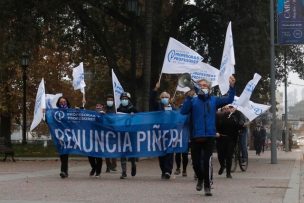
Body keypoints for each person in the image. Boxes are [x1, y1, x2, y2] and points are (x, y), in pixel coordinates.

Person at [180, 75, 236, 196]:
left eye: (205, 85)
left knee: (206, 161)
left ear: (209, 88)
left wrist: (232, 87)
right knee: (195, 163)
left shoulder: (214, 100)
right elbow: (183, 111)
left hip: (210, 135)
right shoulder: (193, 100)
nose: (202, 87)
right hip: (196, 136)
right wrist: (188, 98)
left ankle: (207, 185)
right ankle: (200, 178)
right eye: (200, 85)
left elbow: (229, 99)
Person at [150, 81, 175, 180]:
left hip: (170, 134)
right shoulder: (157, 106)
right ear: (160, 99)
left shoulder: (173, 108)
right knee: (161, 154)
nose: (165, 99)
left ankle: (168, 171)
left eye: (166, 97)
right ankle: (163, 170)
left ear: (169, 99)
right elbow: (151, 100)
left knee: (169, 152)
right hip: (159, 134)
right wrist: (155, 89)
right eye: (163, 97)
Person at [216, 105, 244, 179]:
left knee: (229, 156)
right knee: (220, 155)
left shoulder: (234, 117)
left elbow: (239, 126)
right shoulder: (218, 116)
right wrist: (216, 132)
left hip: (230, 139)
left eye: (228, 108)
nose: (226, 110)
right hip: (220, 138)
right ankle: (222, 165)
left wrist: (241, 125)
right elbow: (214, 126)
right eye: (224, 109)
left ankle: (228, 173)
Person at [117, 92, 138, 179]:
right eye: (122, 99)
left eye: (125, 99)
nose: (124, 100)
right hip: (122, 133)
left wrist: (134, 115)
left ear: (128, 100)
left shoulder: (133, 108)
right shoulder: (118, 109)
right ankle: (124, 171)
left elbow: (139, 118)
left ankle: (133, 164)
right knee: (122, 152)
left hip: (131, 133)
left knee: (131, 151)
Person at [55, 96, 71, 179]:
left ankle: (64, 171)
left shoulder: (71, 111)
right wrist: (44, 114)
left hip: (69, 135)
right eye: (61, 102)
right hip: (59, 135)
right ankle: (64, 171)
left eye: (64, 102)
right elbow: (50, 121)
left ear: (67, 102)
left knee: (65, 153)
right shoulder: (55, 112)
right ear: (58, 103)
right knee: (62, 153)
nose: (62, 103)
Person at [87, 103, 104, 177]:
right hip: (91, 137)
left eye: (100, 106)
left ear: (102, 107)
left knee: (98, 156)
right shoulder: (91, 115)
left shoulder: (105, 115)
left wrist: (104, 116)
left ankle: (98, 171)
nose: (98, 107)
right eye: (97, 106)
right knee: (90, 155)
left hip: (100, 138)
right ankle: (94, 167)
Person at [104, 94, 117, 172]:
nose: (110, 101)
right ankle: (108, 166)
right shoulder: (104, 109)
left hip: (113, 131)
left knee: (114, 149)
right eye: (108, 100)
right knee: (106, 150)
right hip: (105, 132)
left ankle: (114, 165)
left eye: (111, 100)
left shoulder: (116, 109)